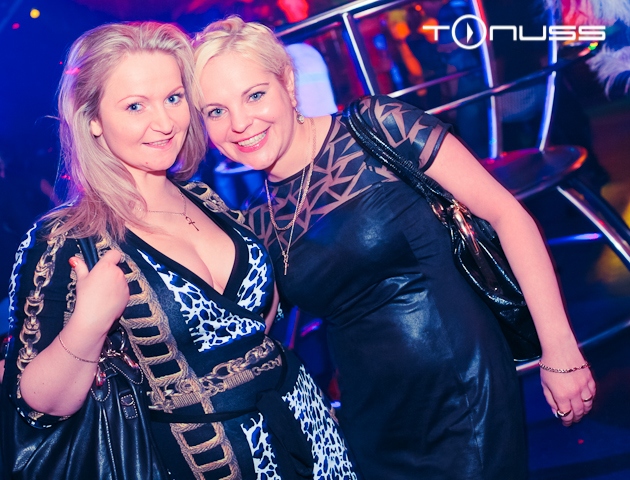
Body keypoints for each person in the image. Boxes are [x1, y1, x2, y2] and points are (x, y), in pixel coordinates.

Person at [193, 16, 597, 479]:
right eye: (216, 111)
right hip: (369, 421)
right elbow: (249, 332)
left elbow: (508, 215)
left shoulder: (375, 128)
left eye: (254, 95)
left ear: (286, 82)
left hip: (462, 391)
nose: (240, 123)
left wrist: (560, 351)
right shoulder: (257, 216)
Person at [1, 21, 357, 480]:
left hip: (311, 432)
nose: (165, 123)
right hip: (208, 462)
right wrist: (89, 322)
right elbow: (37, 404)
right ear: (92, 118)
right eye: (135, 106)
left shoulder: (207, 200)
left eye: (173, 98)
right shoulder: (69, 237)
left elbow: (255, 324)